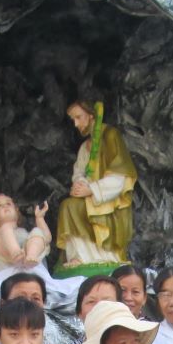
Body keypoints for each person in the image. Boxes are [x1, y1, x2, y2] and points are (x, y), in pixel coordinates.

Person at [56, 101, 138, 267]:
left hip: (110, 201)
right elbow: (80, 172)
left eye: (79, 117)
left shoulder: (111, 136)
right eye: (73, 120)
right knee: (68, 206)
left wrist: (92, 189)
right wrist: (80, 185)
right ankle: (80, 256)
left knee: (71, 207)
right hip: (90, 197)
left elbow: (119, 176)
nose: (76, 124)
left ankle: (103, 257)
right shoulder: (85, 146)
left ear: (91, 114)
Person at [50, 276, 122, 344]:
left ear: (121, 308)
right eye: (91, 302)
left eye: (107, 301)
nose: (99, 307)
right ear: (79, 313)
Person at [0, 194, 52, 267]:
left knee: (37, 231)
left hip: (26, 253)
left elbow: (46, 239)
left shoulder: (23, 231)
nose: (5, 206)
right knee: (6, 227)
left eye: (8, 203)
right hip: (6, 255)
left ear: (16, 211)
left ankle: (31, 256)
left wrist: (40, 218)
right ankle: (16, 253)